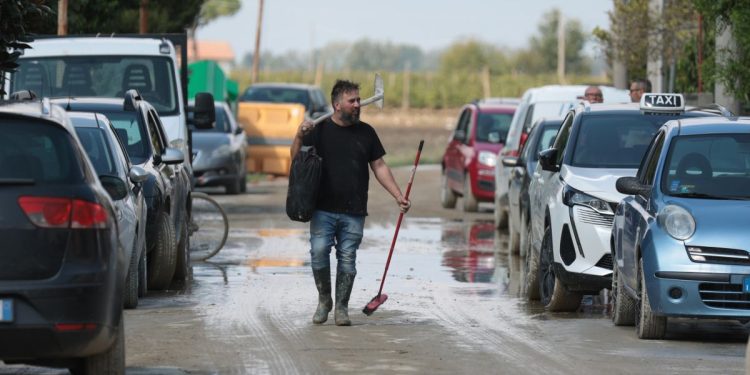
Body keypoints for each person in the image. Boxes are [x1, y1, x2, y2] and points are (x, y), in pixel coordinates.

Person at [290, 79, 411, 326]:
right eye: (352, 101)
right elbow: (295, 158)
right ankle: (325, 300)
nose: (358, 104)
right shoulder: (319, 130)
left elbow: (379, 166)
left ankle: (342, 308)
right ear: (337, 105)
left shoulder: (367, 133)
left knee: (348, 258)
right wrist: (299, 136)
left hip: (354, 210)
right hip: (322, 208)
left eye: (359, 100)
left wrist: (398, 195)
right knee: (319, 253)